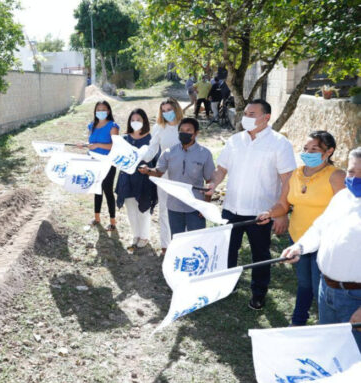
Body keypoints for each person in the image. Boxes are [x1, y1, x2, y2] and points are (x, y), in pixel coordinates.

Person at [206, 99, 297, 310]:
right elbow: (221, 169)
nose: (246, 117)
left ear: (266, 118)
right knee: (228, 250)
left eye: (252, 114)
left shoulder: (279, 144)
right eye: (245, 113)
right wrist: (213, 183)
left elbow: (287, 181)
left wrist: (282, 211)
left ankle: (258, 293)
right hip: (231, 208)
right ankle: (227, 285)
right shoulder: (235, 140)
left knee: (260, 255)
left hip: (261, 213)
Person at [257, 131, 345, 325]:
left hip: (324, 241)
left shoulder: (336, 176)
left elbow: (345, 210)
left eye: (314, 149)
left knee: (318, 287)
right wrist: (269, 213)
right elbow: (283, 205)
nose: (308, 153)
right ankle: (298, 321)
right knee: (304, 283)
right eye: (306, 149)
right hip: (297, 238)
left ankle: (327, 326)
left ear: (329, 151)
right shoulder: (295, 175)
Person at [281, 147, 361, 347]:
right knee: (329, 347)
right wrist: (299, 247)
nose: (355, 178)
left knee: (353, 356)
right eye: (352, 172)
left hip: (355, 299)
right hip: (327, 290)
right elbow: (320, 227)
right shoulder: (343, 197)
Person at [139, 118, 214, 236]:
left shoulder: (205, 153)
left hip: (195, 206)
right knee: (177, 240)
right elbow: (159, 172)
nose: (184, 133)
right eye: (182, 130)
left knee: (196, 241)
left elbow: (210, 181)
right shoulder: (169, 152)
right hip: (174, 206)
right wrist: (147, 170)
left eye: (188, 130)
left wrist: (205, 206)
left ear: (196, 133)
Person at [140, 97, 183, 253]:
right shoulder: (159, 127)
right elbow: (151, 150)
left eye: (169, 110)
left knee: (181, 209)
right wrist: (138, 157)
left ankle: (180, 243)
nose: (167, 113)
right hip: (164, 173)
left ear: (176, 109)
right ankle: (166, 245)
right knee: (164, 209)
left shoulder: (185, 126)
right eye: (163, 111)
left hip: (183, 175)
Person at [115, 108, 158, 248]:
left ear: (144, 121)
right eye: (132, 120)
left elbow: (156, 160)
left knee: (143, 209)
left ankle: (144, 236)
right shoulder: (124, 139)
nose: (135, 122)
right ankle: (136, 234)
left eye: (138, 120)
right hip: (127, 179)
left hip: (144, 179)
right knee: (131, 209)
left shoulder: (151, 139)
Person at [79, 100, 119, 231]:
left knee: (107, 190)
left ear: (108, 111)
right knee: (96, 189)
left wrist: (98, 145)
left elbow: (115, 146)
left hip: (108, 163)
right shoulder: (92, 125)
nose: (101, 112)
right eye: (98, 110)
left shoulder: (113, 126)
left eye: (103, 109)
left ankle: (113, 221)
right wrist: (84, 145)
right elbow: (91, 142)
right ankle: (97, 218)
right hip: (94, 162)